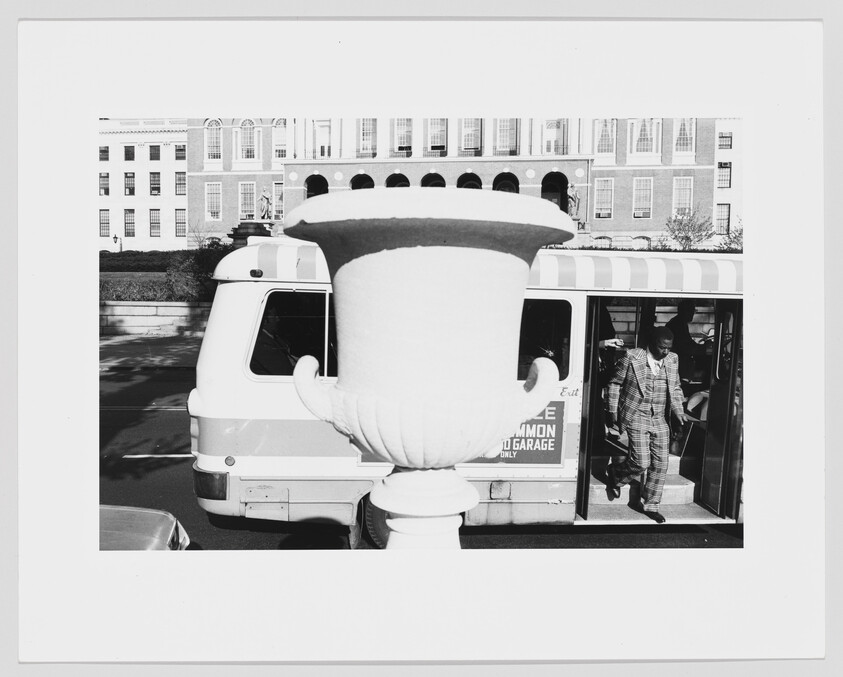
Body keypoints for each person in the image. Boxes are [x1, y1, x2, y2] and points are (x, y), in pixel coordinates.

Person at [605, 326, 688, 523]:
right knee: (641, 462)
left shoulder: (672, 359)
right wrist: (612, 410)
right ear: (652, 344)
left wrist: (679, 411)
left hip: (659, 417)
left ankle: (651, 505)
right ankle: (615, 474)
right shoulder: (632, 357)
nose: (665, 352)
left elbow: (675, 387)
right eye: (662, 348)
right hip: (636, 414)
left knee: (660, 463)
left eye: (669, 348)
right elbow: (614, 383)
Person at [665, 300, 707, 382]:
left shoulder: (680, 322)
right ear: (683, 311)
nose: (692, 314)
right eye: (691, 311)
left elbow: (688, 343)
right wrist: (702, 349)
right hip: (677, 362)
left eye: (693, 311)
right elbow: (686, 346)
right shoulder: (677, 324)